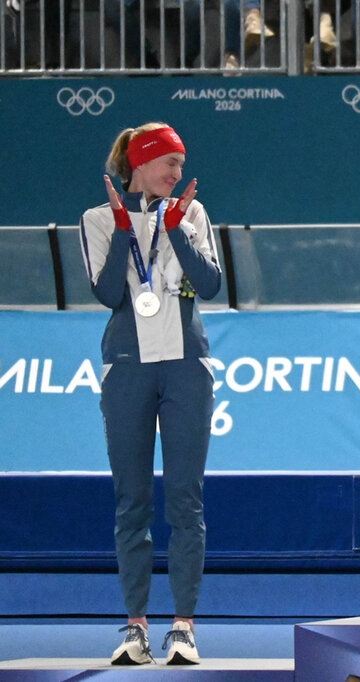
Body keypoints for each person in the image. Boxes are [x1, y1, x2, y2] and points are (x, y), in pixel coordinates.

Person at [79, 123, 221, 665]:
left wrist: (180, 228)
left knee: (186, 499)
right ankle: (135, 626)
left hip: (186, 365)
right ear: (141, 163)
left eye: (181, 166)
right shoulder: (97, 219)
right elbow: (109, 292)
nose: (177, 174)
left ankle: (183, 625)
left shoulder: (193, 212)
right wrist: (122, 230)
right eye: (170, 164)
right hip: (127, 365)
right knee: (131, 501)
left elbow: (209, 285)